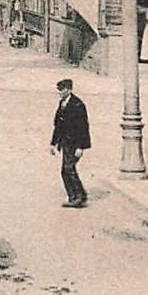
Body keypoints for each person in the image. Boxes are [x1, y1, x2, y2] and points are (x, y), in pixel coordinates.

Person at [50, 77, 90, 207]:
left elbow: (83, 127)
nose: (60, 92)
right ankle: (74, 196)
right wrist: (53, 143)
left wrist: (80, 147)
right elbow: (58, 125)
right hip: (65, 143)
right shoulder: (63, 103)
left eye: (62, 90)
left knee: (68, 168)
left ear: (69, 90)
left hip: (74, 143)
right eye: (59, 90)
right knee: (66, 170)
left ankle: (79, 196)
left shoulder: (77, 105)